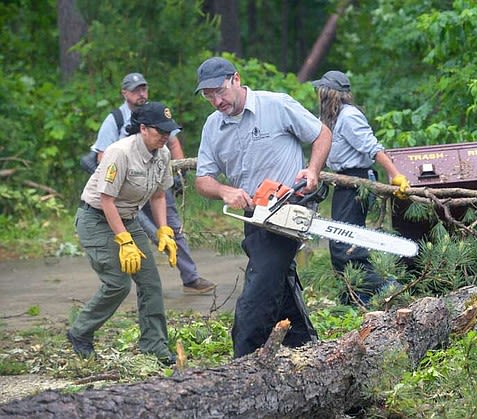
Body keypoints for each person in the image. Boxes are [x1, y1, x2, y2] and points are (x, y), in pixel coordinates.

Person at [193, 57, 332, 358]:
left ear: (236, 79)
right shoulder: (213, 127)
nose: (216, 100)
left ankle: (243, 359)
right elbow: (202, 179)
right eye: (208, 95)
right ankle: (305, 348)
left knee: (259, 290)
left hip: (289, 207)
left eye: (220, 91)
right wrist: (224, 190)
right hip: (254, 214)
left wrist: (313, 170)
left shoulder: (276, 105)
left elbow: (321, 134)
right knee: (276, 279)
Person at [68, 101, 182, 365]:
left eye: (169, 131)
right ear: (143, 128)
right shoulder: (120, 153)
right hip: (95, 218)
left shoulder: (162, 154)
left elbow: (158, 194)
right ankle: (80, 332)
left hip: (128, 218)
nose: (166, 136)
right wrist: (124, 241)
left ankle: (154, 346)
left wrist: (164, 230)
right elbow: (106, 200)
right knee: (118, 283)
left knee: (150, 282)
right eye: (160, 131)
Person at [92, 72, 216, 294]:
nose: (141, 93)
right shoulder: (115, 119)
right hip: (126, 189)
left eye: (143, 89)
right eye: (135, 90)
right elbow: (103, 156)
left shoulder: (157, 113)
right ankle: (125, 280)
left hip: (155, 182)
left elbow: (173, 142)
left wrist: (178, 172)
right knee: (139, 232)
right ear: (125, 93)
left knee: (171, 227)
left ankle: (190, 277)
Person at [312, 70, 410, 305]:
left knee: (344, 245)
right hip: (343, 181)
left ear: (327, 93)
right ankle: (354, 299)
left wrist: (395, 175)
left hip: (357, 182)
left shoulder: (349, 116)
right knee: (340, 244)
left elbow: (372, 147)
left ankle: (391, 288)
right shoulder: (330, 120)